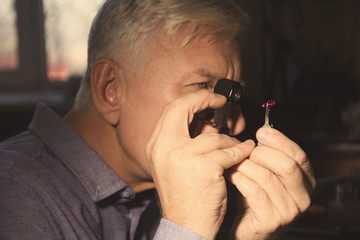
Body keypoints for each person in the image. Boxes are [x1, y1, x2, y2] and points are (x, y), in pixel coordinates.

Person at [0, 0, 316, 239]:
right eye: (202, 87)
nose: (236, 123)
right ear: (110, 89)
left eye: (231, 97)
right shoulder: (13, 197)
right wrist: (183, 229)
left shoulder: (156, 186)